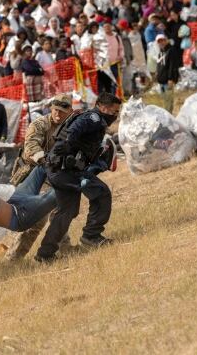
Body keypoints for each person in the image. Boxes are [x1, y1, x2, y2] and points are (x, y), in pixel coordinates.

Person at [35, 92, 122, 263]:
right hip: (65, 170)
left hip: (59, 170)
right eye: (114, 112)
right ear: (103, 107)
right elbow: (72, 132)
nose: (115, 115)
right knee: (102, 193)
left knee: (67, 211)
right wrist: (67, 148)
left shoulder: (93, 118)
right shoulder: (93, 118)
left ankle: (45, 254)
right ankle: (91, 236)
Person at [6, 94, 74, 260]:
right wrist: (46, 160)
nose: (58, 114)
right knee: (37, 217)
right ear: (51, 108)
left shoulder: (71, 126)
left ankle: (64, 248)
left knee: (60, 210)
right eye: (56, 110)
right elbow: (31, 147)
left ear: (69, 112)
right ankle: (13, 258)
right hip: (31, 174)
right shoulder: (40, 124)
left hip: (53, 174)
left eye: (62, 111)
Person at [155, 34, 181, 113]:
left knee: (169, 102)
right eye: (159, 41)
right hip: (161, 81)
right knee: (164, 101)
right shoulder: (161, 52)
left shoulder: (171, 50)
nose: (161, 43)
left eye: (162, 40)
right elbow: (159, 66)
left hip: (167, 81)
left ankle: (169, 118)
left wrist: (171, 78)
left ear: (166, 40)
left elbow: (173, 66)